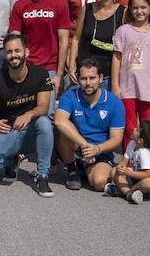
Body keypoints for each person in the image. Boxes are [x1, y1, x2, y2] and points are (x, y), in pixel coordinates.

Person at [0, 33, 54, 195]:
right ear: (5, 55)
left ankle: (42, 175)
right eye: (9, 52)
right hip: (9, 132)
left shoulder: (40, 74)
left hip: (31, 131)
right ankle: (12, 159)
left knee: (45, 122)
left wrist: (29, 114)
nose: (14, 55)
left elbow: (43, 107)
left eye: (17, 51)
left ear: (26, 52)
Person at [54, 59, 126, 192]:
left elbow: (116, 139)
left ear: (101, 78)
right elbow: (59, 121)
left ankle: (86, 170)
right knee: (61, 128)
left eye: (92, 78)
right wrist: (85, 145)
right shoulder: (69, 96)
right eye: (83, 78)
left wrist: (97, 149)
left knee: (99, 182)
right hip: (76, 147)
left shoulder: (115, 103)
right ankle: (72, 169)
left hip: (99, 151)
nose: (88, 83)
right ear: (77, 79)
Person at [111, 0, 150, 144]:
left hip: (148, 88)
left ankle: (147, 164)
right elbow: (117, 58)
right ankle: (128, 164)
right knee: (129, 129)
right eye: (135, 8)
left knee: (148, 130)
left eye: (143, 7)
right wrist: (115, 85)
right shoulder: (123, 31)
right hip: (127, 88)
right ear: (130, 9)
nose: (139, 11)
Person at [9, 0, 70, 104]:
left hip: (50, 69)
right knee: (24, 110)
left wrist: (59, 74)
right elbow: (15, 40)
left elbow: (63, 41)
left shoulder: (59, 5)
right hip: (26, 68)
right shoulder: (20, 6)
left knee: (47, 113)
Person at [68, 0, 127, 88]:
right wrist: (71, 65)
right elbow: (76, 39)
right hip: (84, 75)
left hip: (109, 76)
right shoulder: (86, 9)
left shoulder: (123, 13)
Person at [114, 120, 150, 204]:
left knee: (148, 183)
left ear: (140, 141)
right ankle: (129, 194)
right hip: (137, 179)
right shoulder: (132, 144)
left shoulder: (145, 153)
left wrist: (128, 173)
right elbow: (125, 160)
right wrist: (121, 166)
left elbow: (147, 175)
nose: (134, 129)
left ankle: (125, 191)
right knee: (114, 171)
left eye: (137, 130)